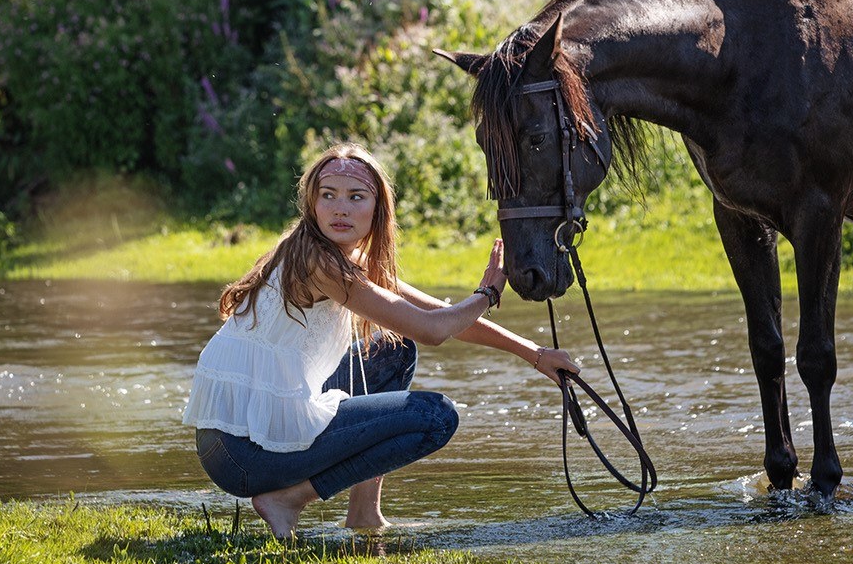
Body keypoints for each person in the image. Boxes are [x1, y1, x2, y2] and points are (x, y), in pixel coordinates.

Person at [182, 143, 579, 538]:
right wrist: (487, 294)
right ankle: (289, 498)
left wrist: (536, 354)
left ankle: (364, 512)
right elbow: (434, 330)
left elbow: (436, 315)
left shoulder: (337, 257)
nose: (341, 209)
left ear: (377, 209)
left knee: (395, 349)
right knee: (435, 417)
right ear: (312, 205)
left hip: (238, 435)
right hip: (241, 453)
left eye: (356, 197)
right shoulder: (318, 262)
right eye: (328, 196)